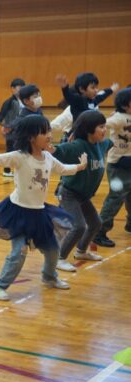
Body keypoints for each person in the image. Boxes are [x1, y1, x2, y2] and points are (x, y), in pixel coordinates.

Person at [0, 115, 87, 301]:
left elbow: (63, 169)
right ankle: (0, 285)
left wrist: (80, 166)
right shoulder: (19, 157)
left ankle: (49, 277)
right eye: (44, 132)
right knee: (19, 252)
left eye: (49, 130)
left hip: (39, 213)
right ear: (30, 137)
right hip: (18, 213)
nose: (49, 135)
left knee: (52, 250)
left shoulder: (48, 157)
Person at [51, 110, 112, 272]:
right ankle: (59, 258)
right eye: (101, 126)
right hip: (69, 194)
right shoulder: (77, 146)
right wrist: (48, 146)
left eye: (105, 126)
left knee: (96, 223)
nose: (105, 129)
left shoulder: (102, 144)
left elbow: (113, 142)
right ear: (88, 129)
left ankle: (81, 251)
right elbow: (57, 151)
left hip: (83, 195)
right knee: (79, 226)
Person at [93, 88, 131, 247]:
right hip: (118, 166)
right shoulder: (119, 118)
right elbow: (102, 123)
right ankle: (99, 232)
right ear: (126, 105)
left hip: (129, 163)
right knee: (116, 197)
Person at [0, 78, 25, 176]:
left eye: (22, 88)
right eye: (19, 88)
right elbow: (2, 112)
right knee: (10, 149)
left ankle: (18, 169)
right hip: (10, 129)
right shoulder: (9, 101)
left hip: (20, 129)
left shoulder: (24, 101)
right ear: (13, 89)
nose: (20, 90)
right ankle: (6, 170)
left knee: (20, 150)